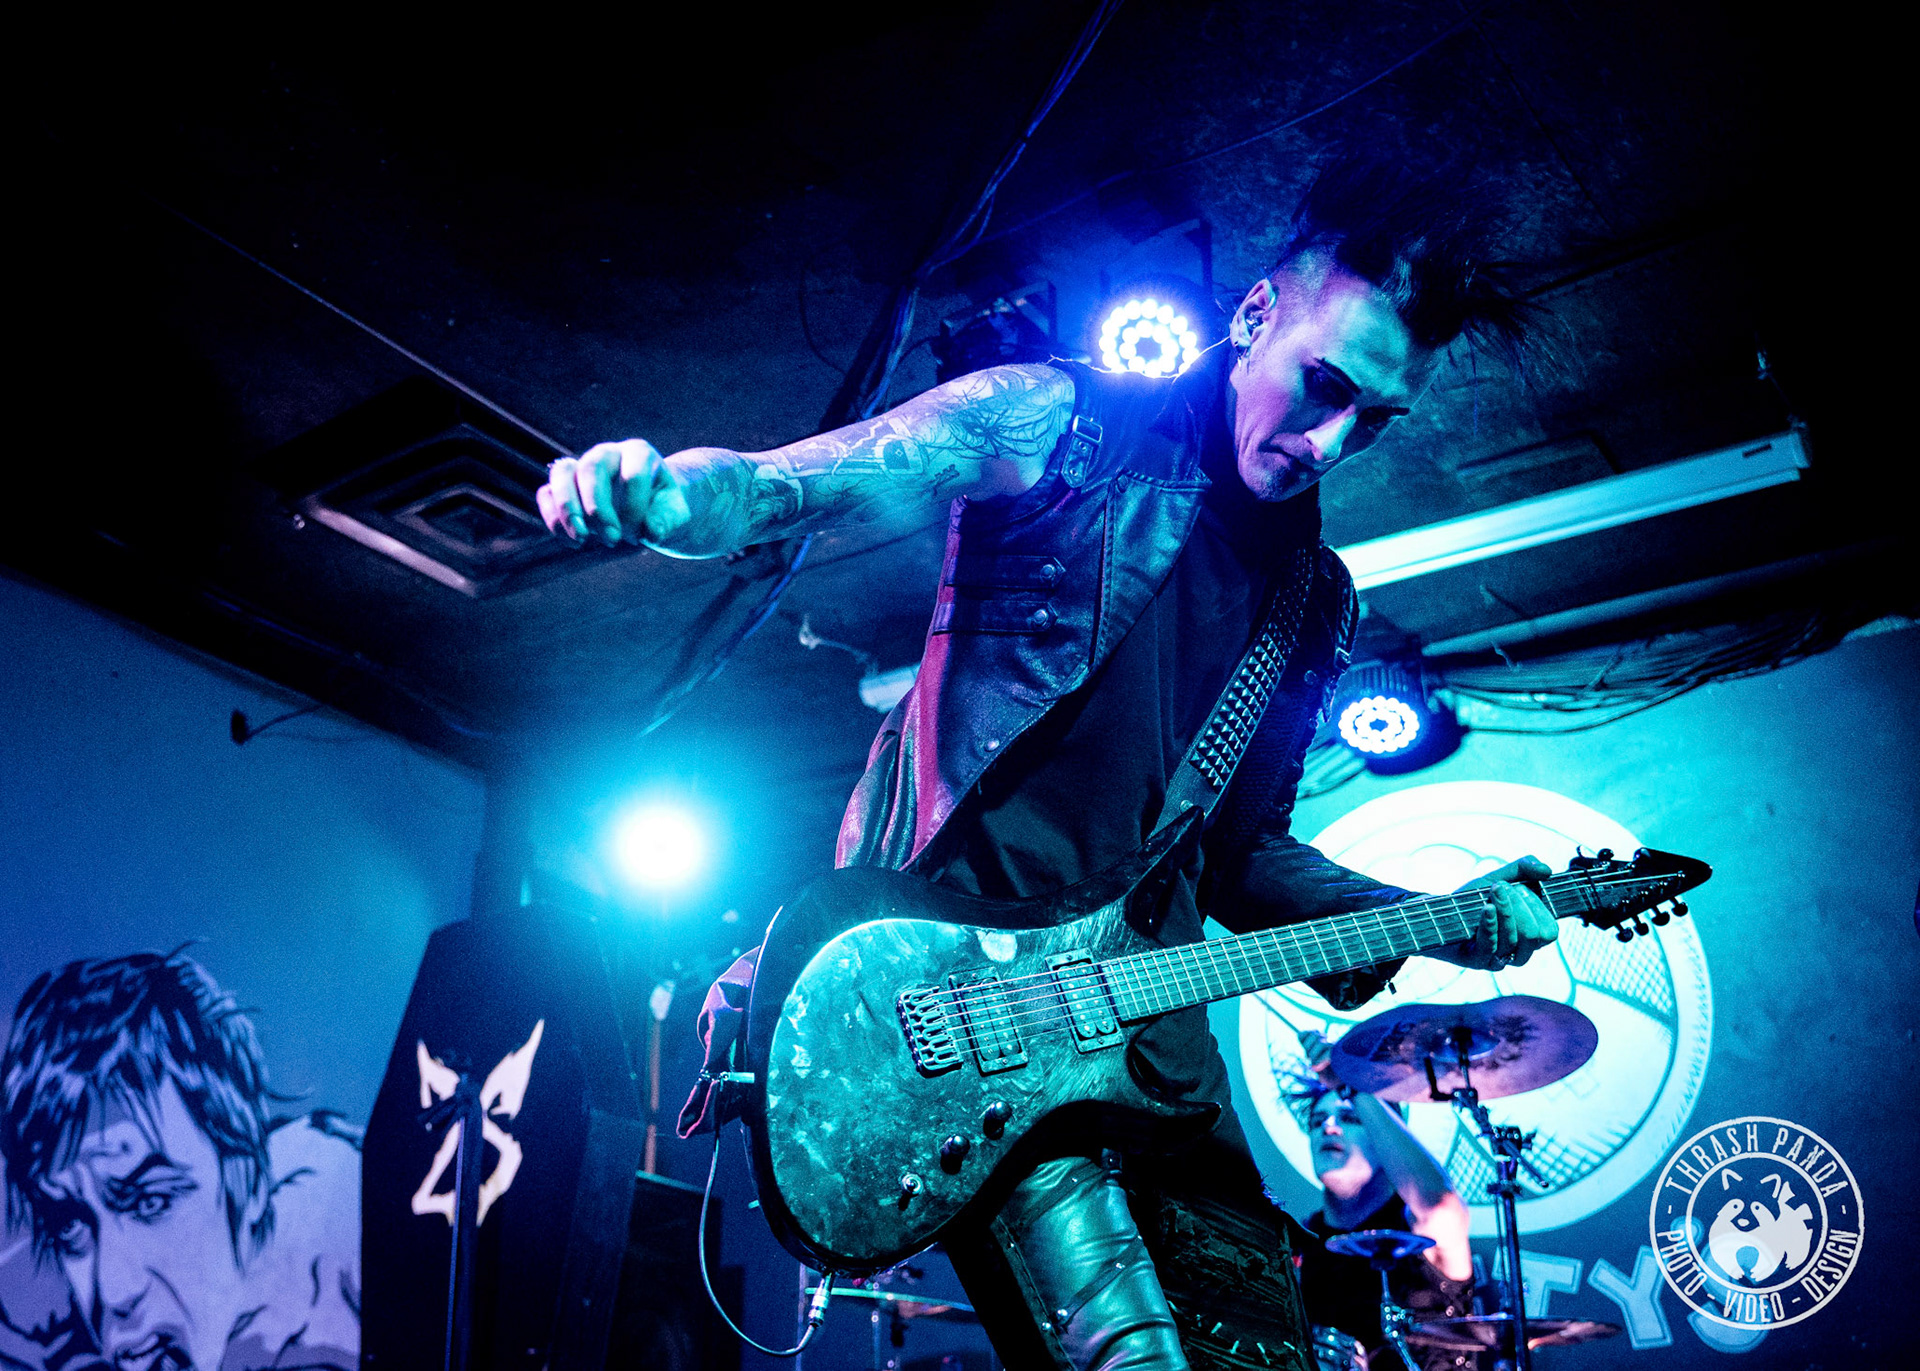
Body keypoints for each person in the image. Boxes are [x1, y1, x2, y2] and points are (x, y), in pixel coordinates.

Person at [540, 161, 1559, 1371]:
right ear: (1254, 318)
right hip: (977, 1011)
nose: (1332, 440)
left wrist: (1436, 917)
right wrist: (664, 498)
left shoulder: (1311, 597)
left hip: (1148, 1057)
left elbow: (1242, 857)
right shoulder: (1061, 426)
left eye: (1373, 420)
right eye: (1325, 386)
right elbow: (797, 482)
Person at [0, 952, 360, 1371]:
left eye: (151, 1202)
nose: (115, 1292)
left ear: (251, 1184)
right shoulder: (31, 1328)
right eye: (69, 1224)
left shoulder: (354, 1259)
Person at [1292, 1033, 1474, 1371]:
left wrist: (1353, 1087)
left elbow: (1438, 1203)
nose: (1328, 1128)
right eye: (1317, 1121)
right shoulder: (1299, 1241)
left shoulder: (1420, 1227)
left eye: (1350, 1118)